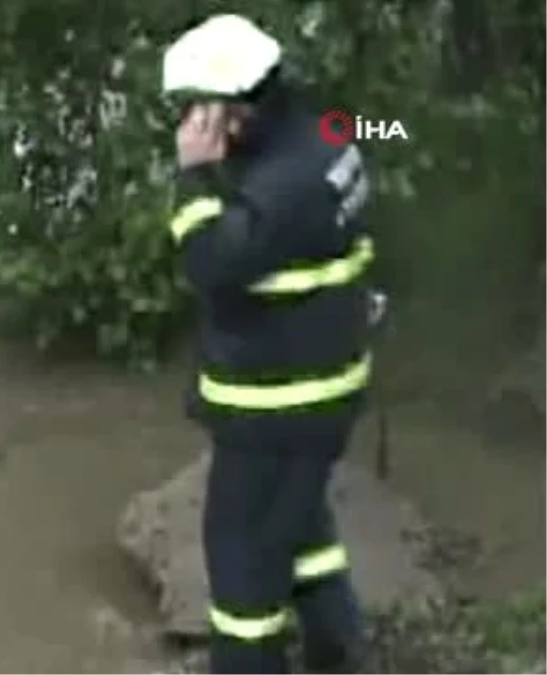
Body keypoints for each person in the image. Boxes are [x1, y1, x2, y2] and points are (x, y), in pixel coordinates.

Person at [161, 14, 375, 675]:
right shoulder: (332, 136)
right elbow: (368, 137)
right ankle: (340, 654)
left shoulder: (283, 190)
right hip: (323, 390)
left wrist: (193, 177)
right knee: (304, 532)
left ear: (240, 110)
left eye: (202, 107)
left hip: (277, 408)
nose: (194, 120)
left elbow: (209, 265)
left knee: (243, 566)